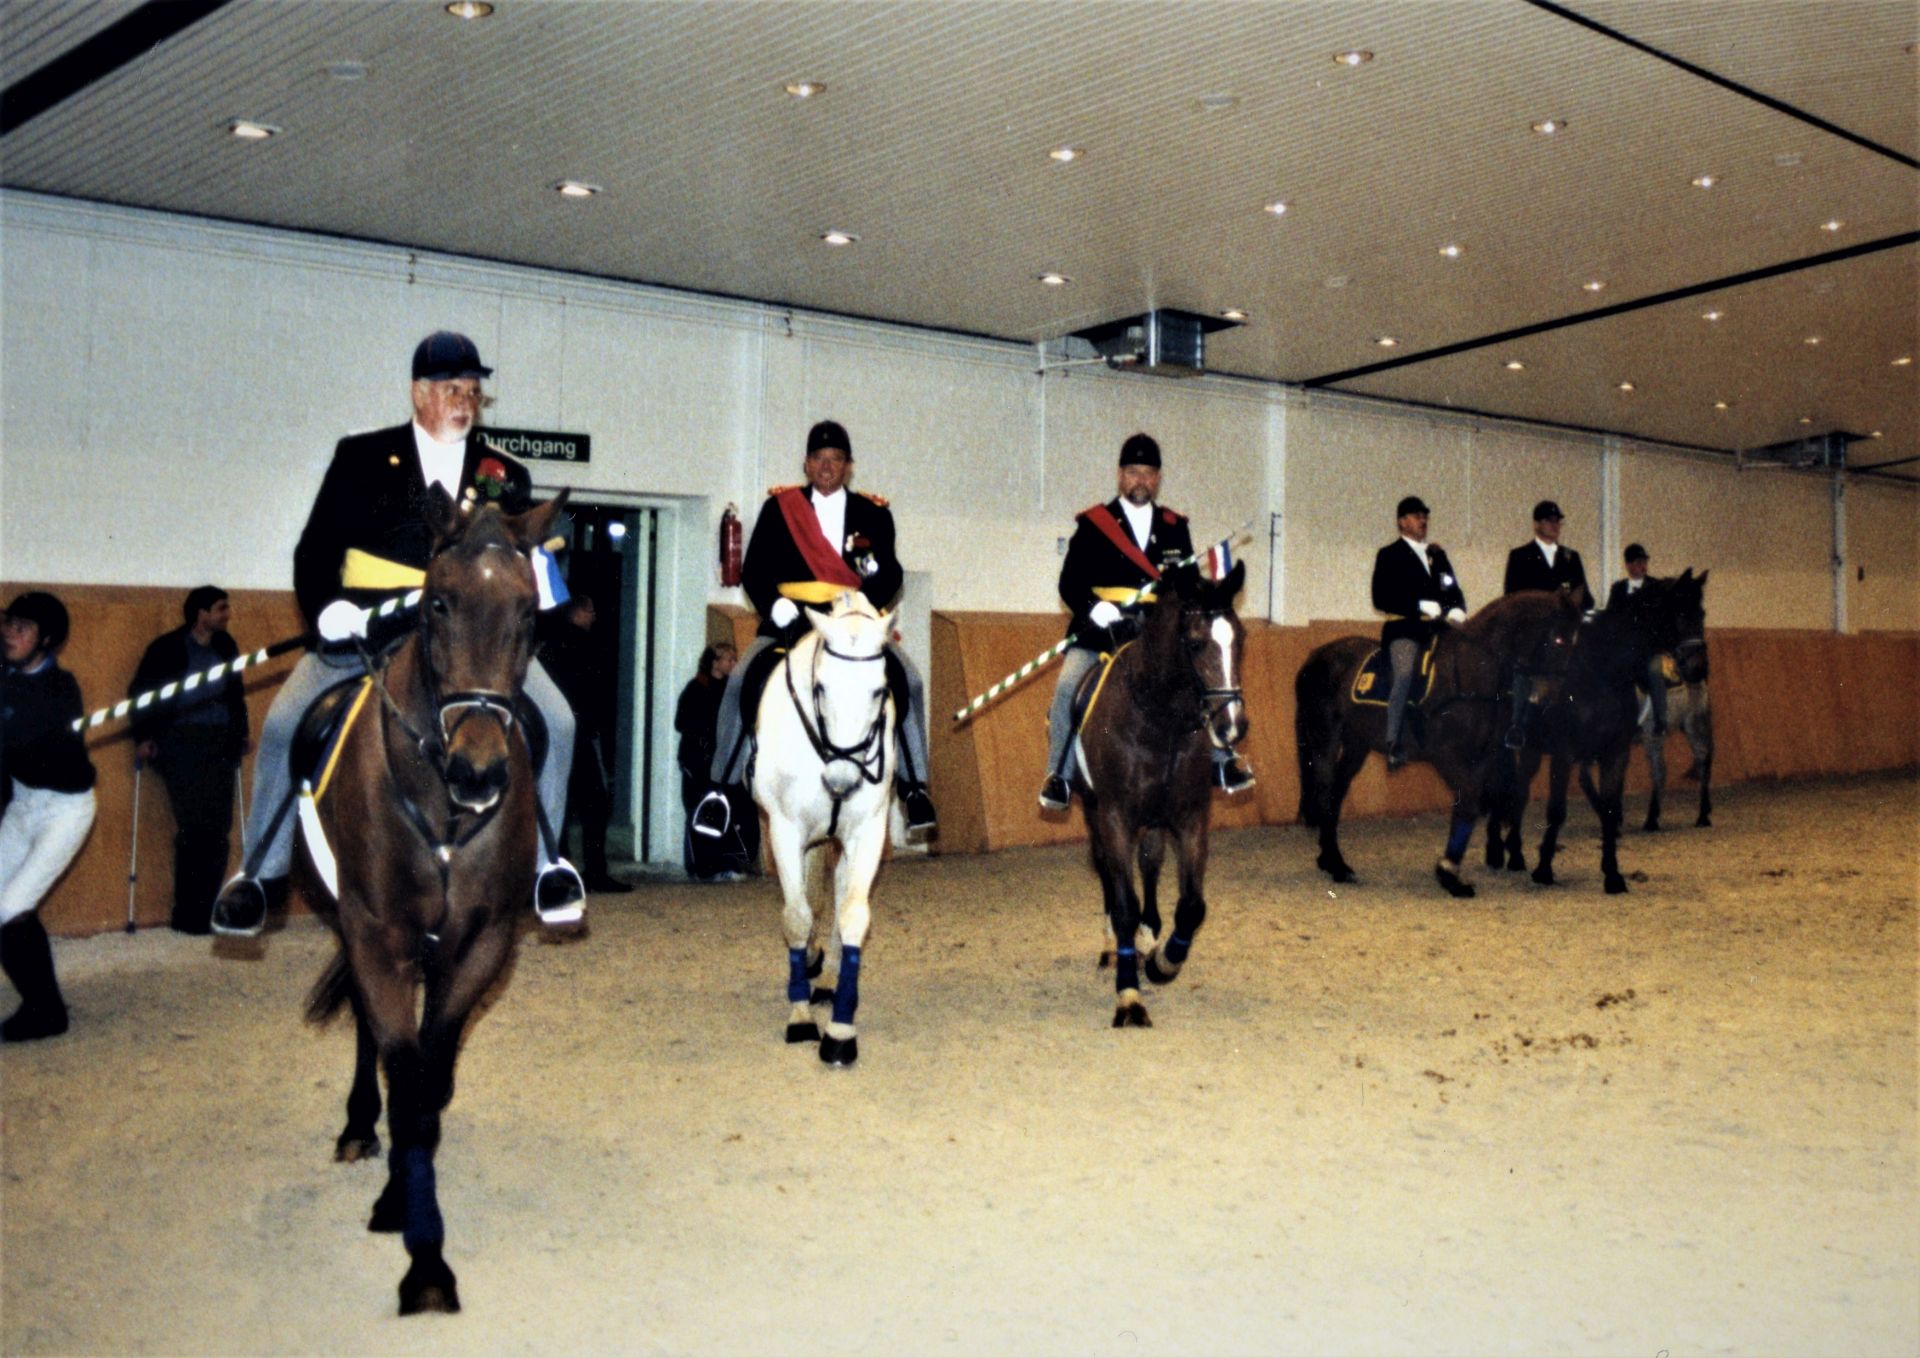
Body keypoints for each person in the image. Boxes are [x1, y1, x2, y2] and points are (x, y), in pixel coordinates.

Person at [210, 330, 583, 935]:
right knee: (282, 725)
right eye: (452, 389)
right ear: (419, 393)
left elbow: (520, 561)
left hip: (468, 637)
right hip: (368, 625)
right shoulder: (361, 458)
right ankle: (259, 873)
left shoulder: (503, 473)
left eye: (473, 391)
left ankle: (547, 866)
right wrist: (327, 609)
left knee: (559, 722)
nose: (465, 400)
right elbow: (315, 552)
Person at [690, 420, 938, 842]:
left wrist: (860, 606)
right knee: (738, 683)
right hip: (791, 619)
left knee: (909, 681)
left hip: (851, 621)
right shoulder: (780, 509)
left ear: (848, 467)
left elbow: (890, 573)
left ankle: (915, 788)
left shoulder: (873, 514)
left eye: (836, 460)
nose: (827, 467)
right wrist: (775, 604)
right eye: (819, 460)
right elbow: (753, 571)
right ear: (806, 465)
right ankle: (721, 790)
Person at [1038, 433, 1254, 811]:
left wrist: (1212, 593)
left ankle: (1222, 762)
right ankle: (1060, 773)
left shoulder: (1174, 525)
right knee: (1067, 687)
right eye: (1133, 472)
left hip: (1156, 632)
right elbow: (1069, 582)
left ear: (1158, 478)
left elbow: (1185, 585)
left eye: (1149, 473)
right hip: (1101, 631)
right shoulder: (1094, 524)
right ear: (1121, 476)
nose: (1141, 480)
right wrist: (1093, 607)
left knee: (1202, 680)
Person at [0, 593, 97, 1042]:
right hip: (23, 804)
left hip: (64, 810)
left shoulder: (62, 690)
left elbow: (18, 742)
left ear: (48, 641)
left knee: (11, 909)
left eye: (22, 629)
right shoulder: (5, 673)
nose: (9, 634)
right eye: (9, 623)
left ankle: (47, 1013)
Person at [129, 586, 250, 934]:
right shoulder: (166, 648)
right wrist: (144, 737)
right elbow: (141, 694)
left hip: (218, 744)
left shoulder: (227, 647)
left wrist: (241, 732)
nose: (227, 614)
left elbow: (235, 694)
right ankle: (187, 913)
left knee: (218, 828)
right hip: (181, 743)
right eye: (220, 608)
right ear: (200, 614)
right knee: (194, 827)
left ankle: (209, 910)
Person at [538, 594, 631, 894]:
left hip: (555, 732)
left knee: (559, 802)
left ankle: (559, 869)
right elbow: (593, 692)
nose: (594, 617)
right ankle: (595, 872)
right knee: (593, 804)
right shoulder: (585, 646)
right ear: (577, 613)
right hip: (577, 733)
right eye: (591, 611)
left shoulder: (549, 647)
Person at [1369, 497, 1468, 770]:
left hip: (1439, 629)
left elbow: (1451, 587)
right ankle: (1393, 740)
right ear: (1402, 522)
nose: (1422, 521)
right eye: (1416, 516)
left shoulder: (1438, 555)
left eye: (1425, 516)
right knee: (1403, 672)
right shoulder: (1389, 554)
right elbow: (1381, 597)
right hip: (1405, 629)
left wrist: (1457, 608)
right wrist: (1416, 605)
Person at [1501, 499, 1590, 749]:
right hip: (1533, 630)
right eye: (1550, 521)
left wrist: (1576, 604)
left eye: (1557, 522)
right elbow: (1512, 595)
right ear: (1537, 525)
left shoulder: (1571, 558)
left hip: (1565, 629)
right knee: (1522, 666)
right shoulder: (1520, 556)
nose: (1555, 526)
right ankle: (1516, 725)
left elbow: (1586, 596)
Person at [675, 642, 751, 879]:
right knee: (701, 811)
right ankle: (701, 868)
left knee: (724, 811)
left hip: (722, 761)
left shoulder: (731, 690)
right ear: (714, 662)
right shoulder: (696, 688)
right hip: (699, 760)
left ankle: (724, 865)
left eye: (734, 659)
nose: (732, 663)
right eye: (727, 659)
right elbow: (682, 722)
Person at [1608, 542, 1669, 736]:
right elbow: (1612, 617)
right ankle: (1628, 721)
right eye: (1638, 562)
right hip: (1625, 648)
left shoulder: (1656, 587)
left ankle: (1661, 718)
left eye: (1644, 561)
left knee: (1653, 670)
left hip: (1649, 647)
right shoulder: (1618, 589)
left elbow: (1661, 619)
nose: (1642, 565)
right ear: (1628, 565)